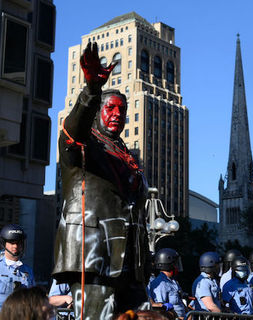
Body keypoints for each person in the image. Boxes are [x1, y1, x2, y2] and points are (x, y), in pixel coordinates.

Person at [53, 42, 150, 319]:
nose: (117, 115)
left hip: (132, 260)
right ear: (97, 111)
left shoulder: (125, 153)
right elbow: (73, 128)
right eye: (110, 108)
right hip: (95, 257)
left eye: (122, 110)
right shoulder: (84, 144)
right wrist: (92, 91)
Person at [0, 224, 34, 309]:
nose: (15, 246)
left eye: (18, 243)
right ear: (4, 243)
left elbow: (34, 299)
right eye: (12, 243)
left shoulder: (28, 271)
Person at [148, 248, 186, 319]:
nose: (177, 267)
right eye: (175, 264)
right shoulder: (161, 284)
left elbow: (180, 303)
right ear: (169, 264)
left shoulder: (173, 281)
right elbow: (161, 311)